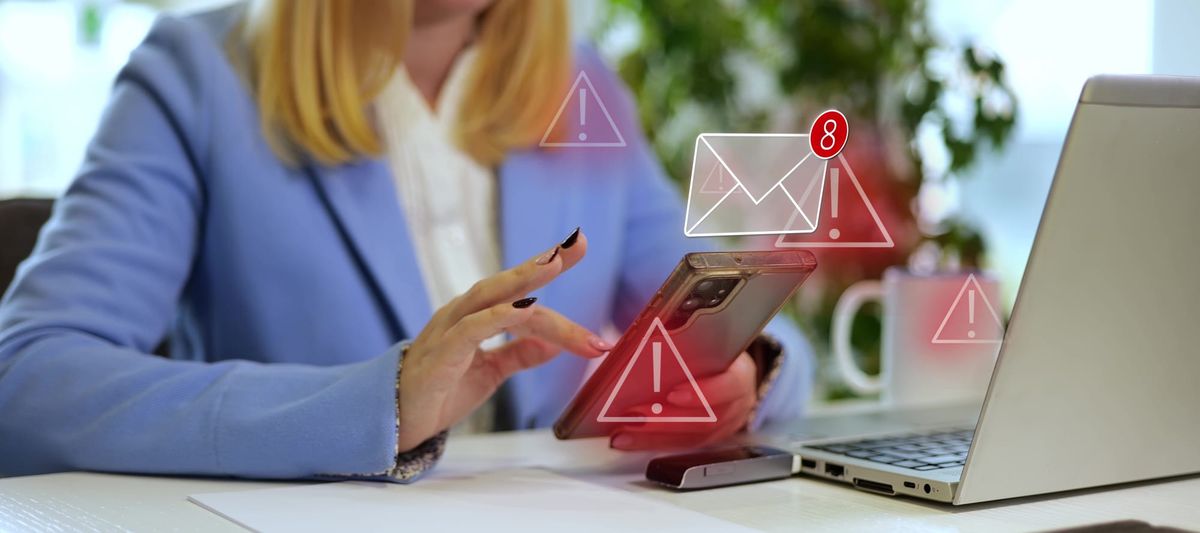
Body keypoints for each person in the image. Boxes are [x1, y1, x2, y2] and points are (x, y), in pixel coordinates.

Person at [0, 0, 812, 481]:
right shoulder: (196, 76)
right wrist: (378, 405)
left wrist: (745, 367)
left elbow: (734, 304)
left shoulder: (582, 84)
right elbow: (26, 380)